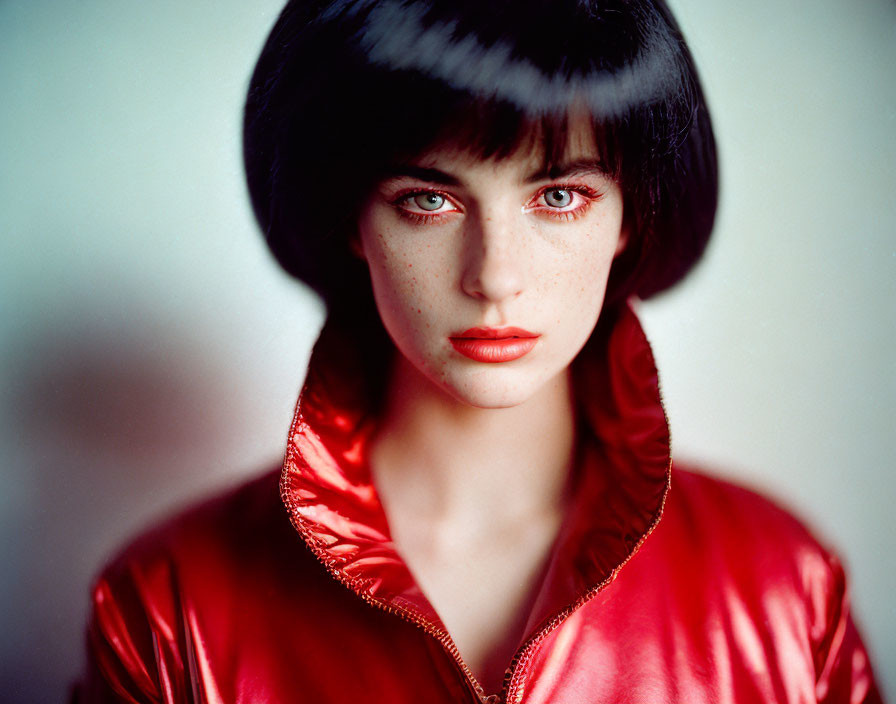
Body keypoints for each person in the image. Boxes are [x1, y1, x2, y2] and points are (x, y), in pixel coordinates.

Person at [73, 0, 884, 701]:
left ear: (630, 216)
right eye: (428, 199)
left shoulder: (783, 590)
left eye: (559, 196)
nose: (494, 275)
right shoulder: (169, 608)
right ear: (352, 220)